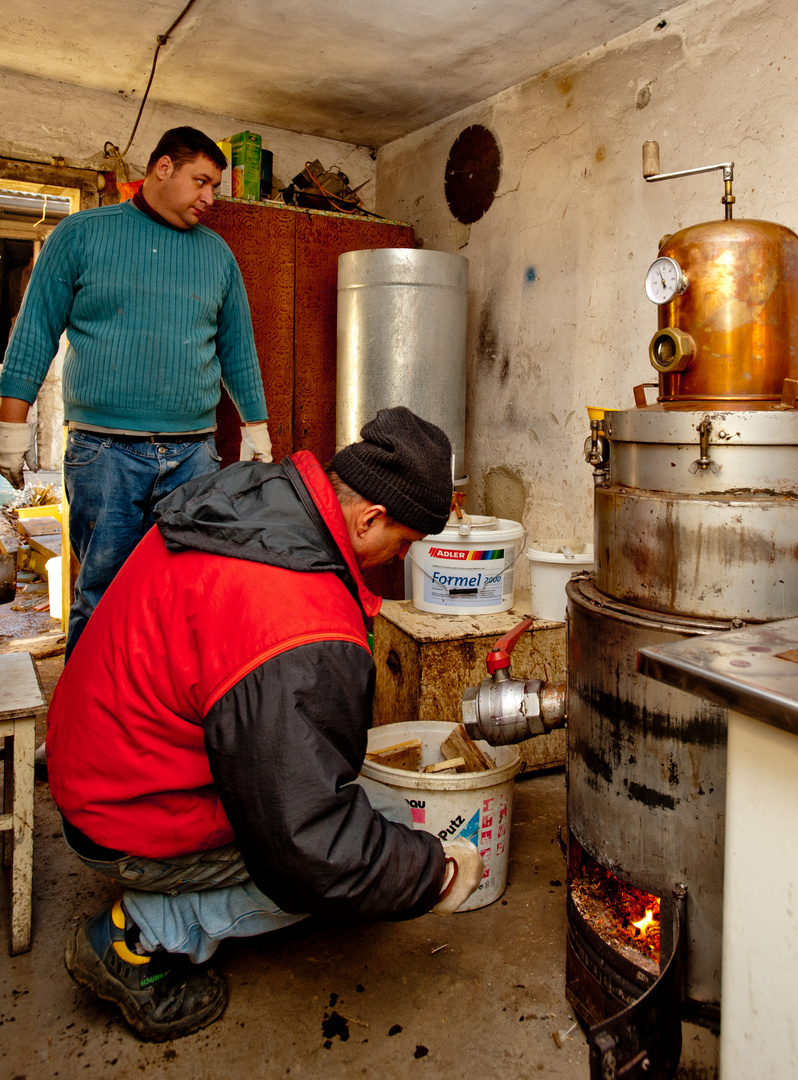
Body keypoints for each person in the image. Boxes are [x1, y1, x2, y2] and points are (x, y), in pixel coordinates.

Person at [45, 406, 484, 1043]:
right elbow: (308, 845)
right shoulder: (296, 617)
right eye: (405, 543)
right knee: (326, 871)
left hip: (98, 758)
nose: (399, 559)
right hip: (122, 812)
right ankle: (136, 937)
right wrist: (429, 873)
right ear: (368, 518)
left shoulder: (261, 501)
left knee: (349, 817)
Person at [0, 126, 273, 659]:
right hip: (104, 453)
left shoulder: (216, 255)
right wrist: (12, 428)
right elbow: (33, 334)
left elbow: (237, 350)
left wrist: (256, 429)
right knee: (104, 595)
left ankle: (159, 728)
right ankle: (86, 734)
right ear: (163, 168)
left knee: (184, 597)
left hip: (194, 456)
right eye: (202, 181)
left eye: (215, 186)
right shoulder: (80, 235)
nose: (209, 199)